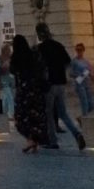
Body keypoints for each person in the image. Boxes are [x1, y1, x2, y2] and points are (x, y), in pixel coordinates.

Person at [35, 23, 87, 151]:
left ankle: (52, 141)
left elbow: (37, 67)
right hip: (61, 83)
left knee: (49, 113)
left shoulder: (40, 49)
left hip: (49, 85)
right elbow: (67, 62)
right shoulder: (58, 45)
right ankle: (77, 133)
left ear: (39, 34)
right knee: (63, 113)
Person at [8, 34, 49, 153]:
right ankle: (35, 141)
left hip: (24, 91)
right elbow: (42, 68)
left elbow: (12, 71)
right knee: (35, 116)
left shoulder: (16, 57)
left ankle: (30, 140)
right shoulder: (33, 55)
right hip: (36, 90)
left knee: (22, 117)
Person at [70, 43, 94, 118]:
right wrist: (78, 76)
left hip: (87, 82)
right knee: (84, 103)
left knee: (92, 103)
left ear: (83, 50)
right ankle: (86, 118)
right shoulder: (74, 61)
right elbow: (70, 73)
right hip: (80, 83)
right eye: (77, 50)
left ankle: (85, 118)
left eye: (80, 50)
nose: (79, 51)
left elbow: (89, 71)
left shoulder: (86, 61)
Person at [0, 51, 15, 120]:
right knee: (9, 98)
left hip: (9, 83)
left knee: (6, 99)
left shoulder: (8, 60)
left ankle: (5, 113)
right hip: (4, 83)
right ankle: (11, 114)